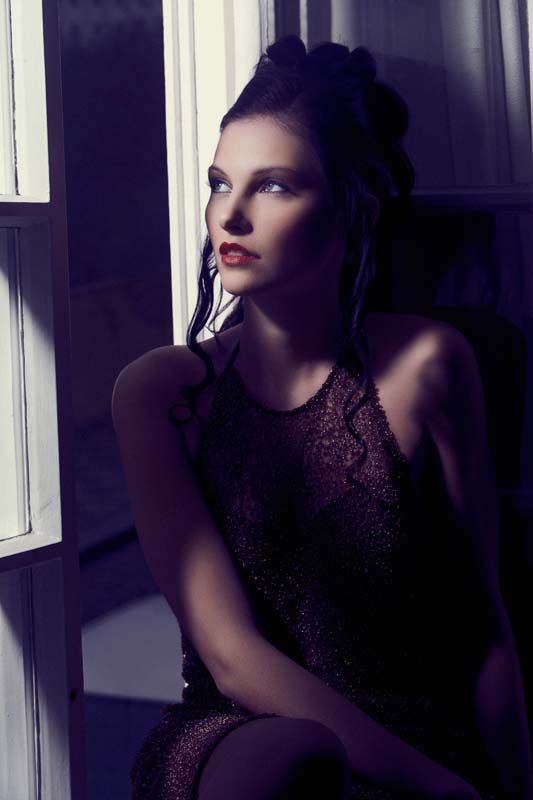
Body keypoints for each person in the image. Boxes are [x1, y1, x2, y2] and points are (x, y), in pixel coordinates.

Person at [111, 35, 533, 800]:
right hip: (237, 736)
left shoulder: (429, 364)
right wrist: (438, 789)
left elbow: (481, 625)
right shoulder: (161, 392)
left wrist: (505, 788)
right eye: (219, 183)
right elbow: (231, 656)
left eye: (272, 186)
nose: (230, 215)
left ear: (350, 206)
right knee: (293, 754)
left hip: (415, 730)